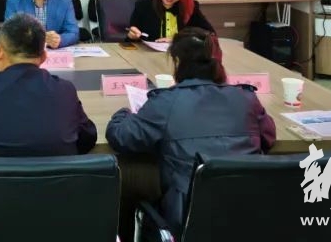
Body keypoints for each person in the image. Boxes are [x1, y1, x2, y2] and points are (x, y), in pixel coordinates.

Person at [106, 27, 275, 229]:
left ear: (178, 62)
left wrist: (124, 113)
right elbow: (268, 137)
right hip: (250, 216)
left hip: (188, 218)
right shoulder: (246, 99)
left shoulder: (166, 102)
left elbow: (121, 136)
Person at [0, 13, 96, 159]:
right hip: (59, 181)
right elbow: (87, 139)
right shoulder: (65, 91)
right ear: (44, 56)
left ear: (0, 52)